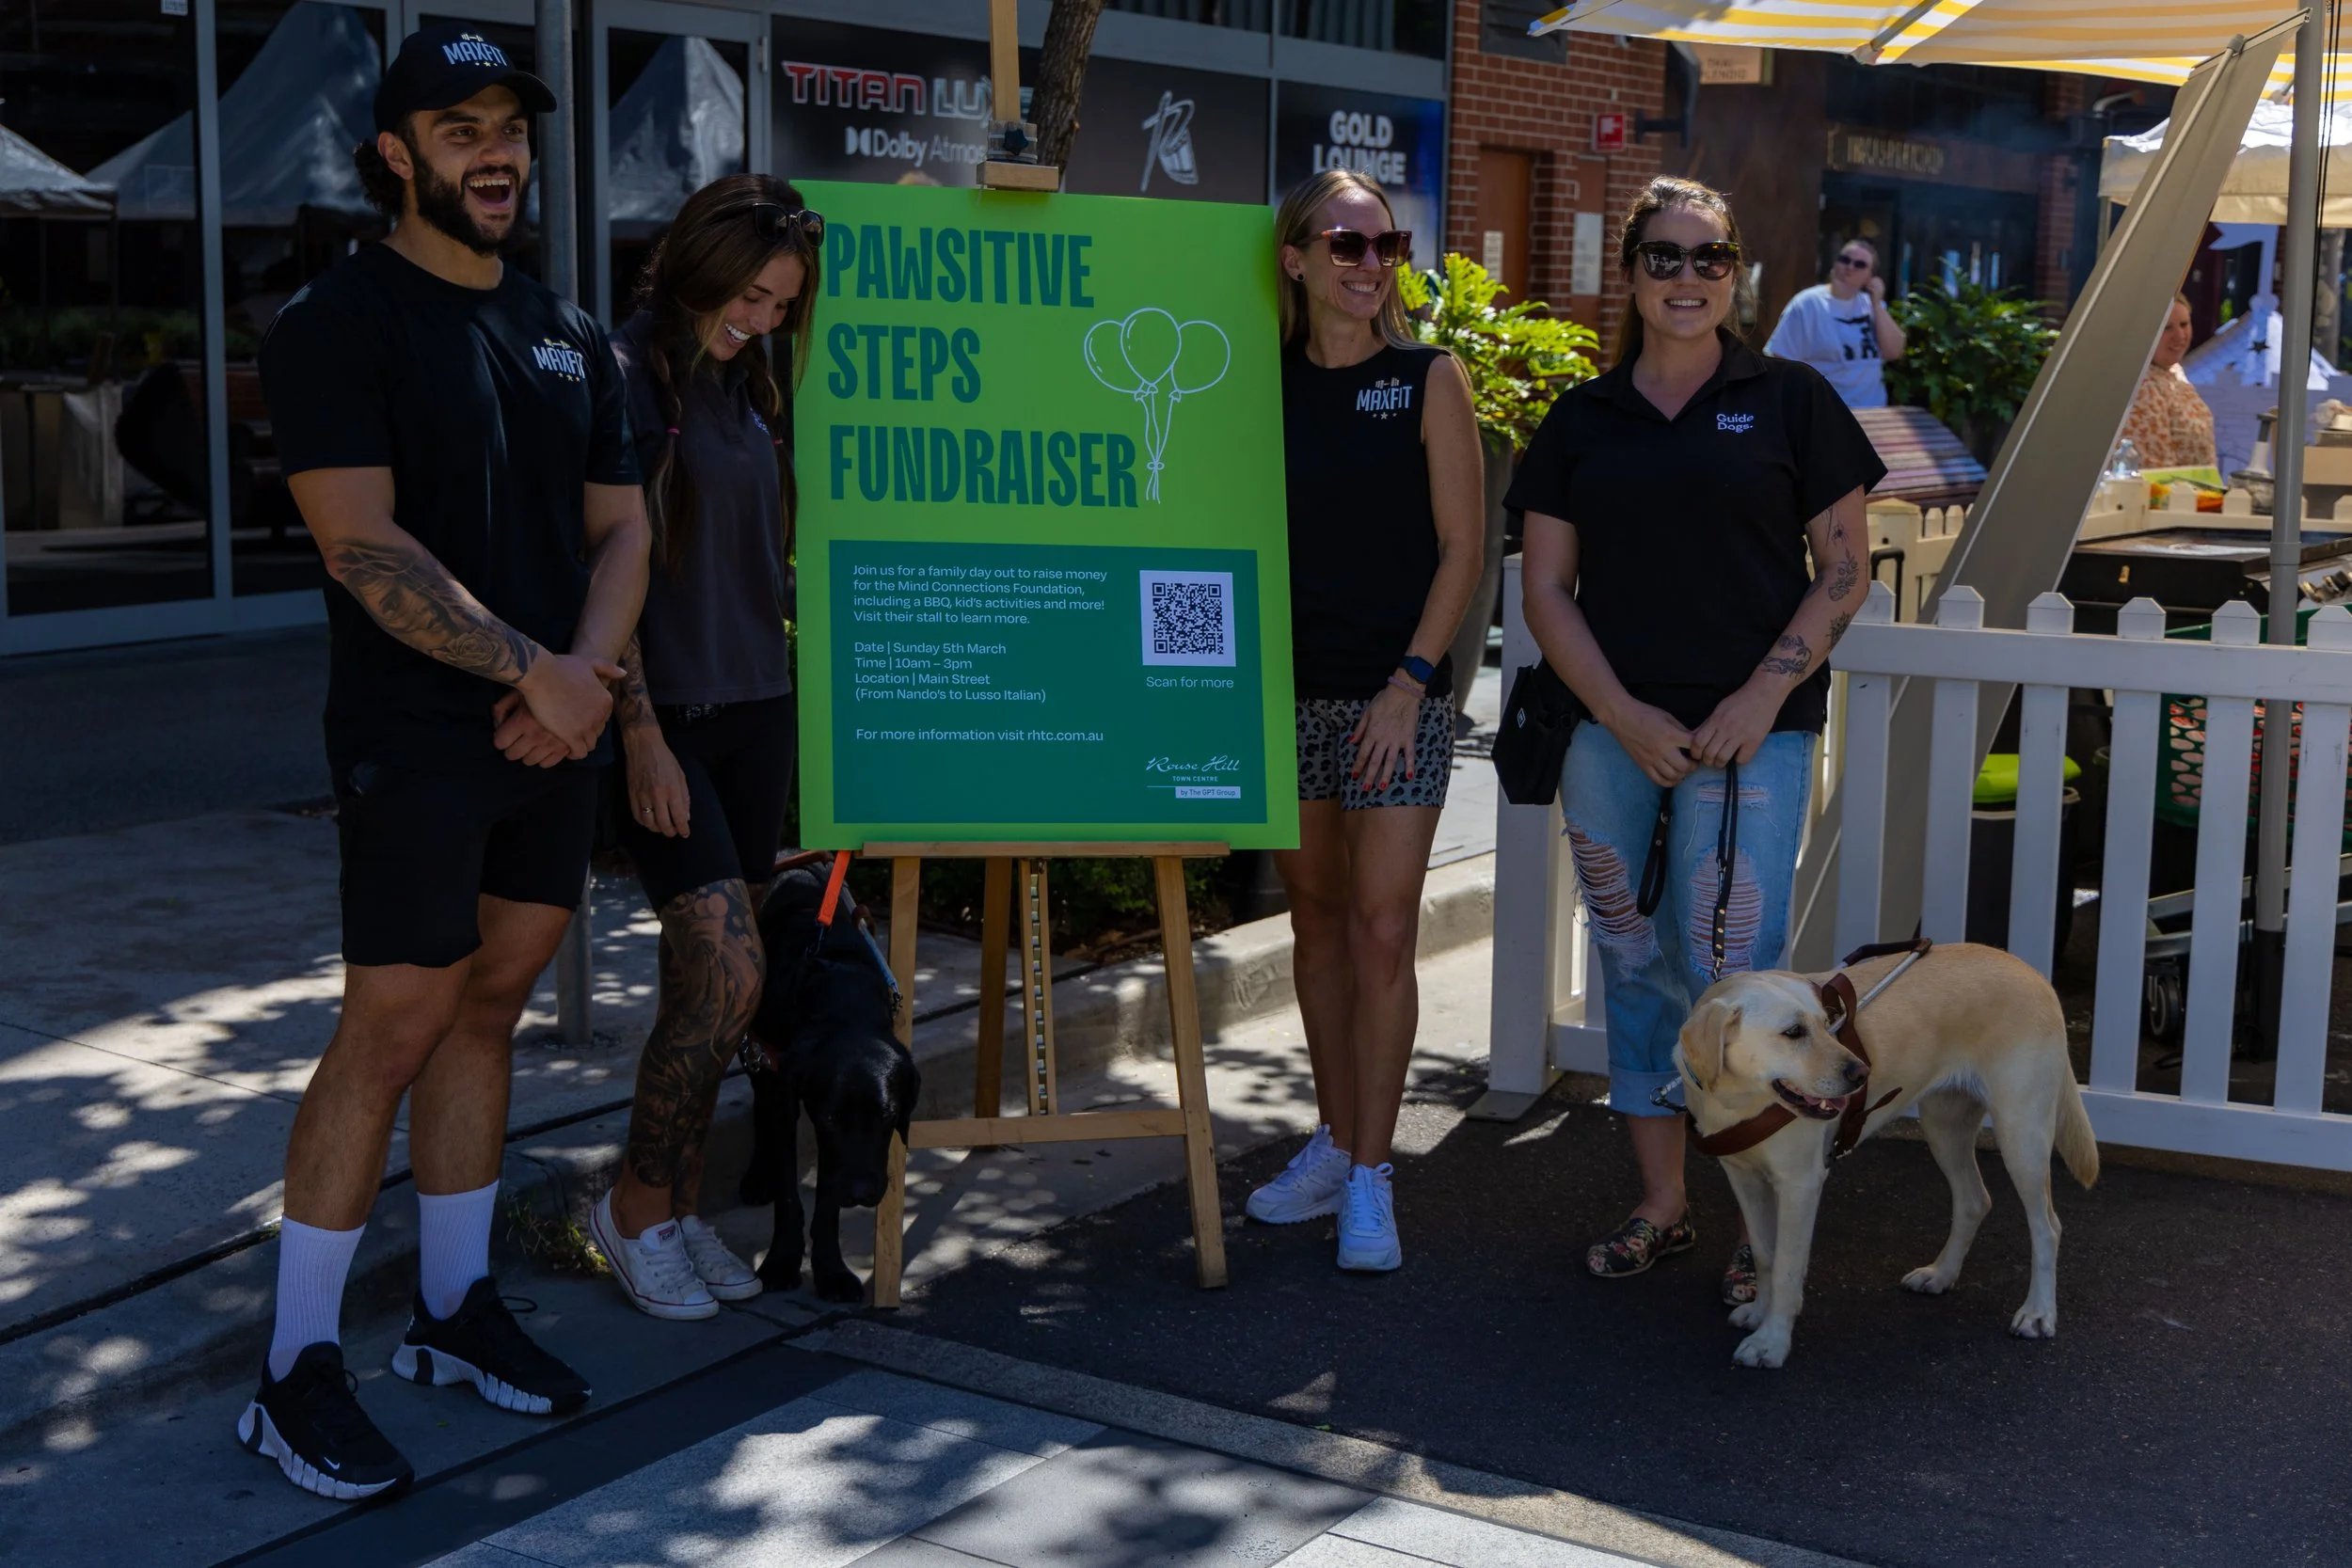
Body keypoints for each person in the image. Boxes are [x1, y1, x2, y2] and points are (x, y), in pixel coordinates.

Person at [243, 24, 649, 1501]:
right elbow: (362, 542)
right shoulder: (336, 324)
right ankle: (293, 1371)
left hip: (558, 726)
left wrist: (586, 683)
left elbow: (624, 527)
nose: (497, 151)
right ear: (394, 154)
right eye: (461, 126)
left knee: (493, 1008)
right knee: (393, 1028)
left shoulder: (570, 328)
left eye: (512, 127)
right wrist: (531, 669)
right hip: (420, 738)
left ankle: (452, 1309)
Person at [1510, 176, 1883, 1301]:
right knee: (1632, 962)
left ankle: (1754, 1216)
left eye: (1708, 258)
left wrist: (1758, 700)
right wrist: (1622, 715)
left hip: (1751, 735)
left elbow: (1845, 568)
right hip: (1607, 731)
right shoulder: (1581, 420)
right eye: (1663, 258)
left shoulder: (1792, 400)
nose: (1686, 278)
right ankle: (1664, 1203)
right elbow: (1544, 591)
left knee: (1737, 979)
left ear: (1737, 274)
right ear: (1628, 273)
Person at [1242, 167, 1484, 1272]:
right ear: (1293, 256)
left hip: (1399, 696)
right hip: (1284, 692)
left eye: (1384, 244)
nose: (1368, 265)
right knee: (1316, 918)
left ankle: (1376, 1175)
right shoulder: (1256, 381)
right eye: (1344, 244)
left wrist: (1408, 680)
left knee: (1385, 926)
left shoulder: (1428, 377)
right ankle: (1333, 1142)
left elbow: (1464, 549)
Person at [587, 175, 821, 1320]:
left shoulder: (747, 384)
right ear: (697, 259)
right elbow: (606, 574)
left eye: (780, 303)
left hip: (758, 704)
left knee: (715, 984)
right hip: (666, 716)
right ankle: (630, 1206)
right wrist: (637, 737)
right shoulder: (624, 377)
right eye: (749, 293)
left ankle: (677, 1206)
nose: (761, 317)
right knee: (726, 966)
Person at [1763, 237, 1906, 410]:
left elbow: (1894, 351)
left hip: (1873, 414)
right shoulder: (1807, 304)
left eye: (1860, 264)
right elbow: (1779, 361)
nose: (1850, 267)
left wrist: (1877, 304)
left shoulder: (1873, 306)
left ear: (1870, 277)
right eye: (1845, 260)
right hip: (1828, 414)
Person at [2118, 293, 2216, 468]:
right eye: (2166, 328)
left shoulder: (2174, 371)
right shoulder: (2141, 385)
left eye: (2184, 324)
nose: (2179, 336)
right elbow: (2155, 469)